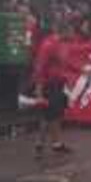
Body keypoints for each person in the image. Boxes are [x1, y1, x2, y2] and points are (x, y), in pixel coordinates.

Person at [32, 16, 75, 159]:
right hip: (49, 84)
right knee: (49, 115)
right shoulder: (49, 45)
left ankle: (52, 142)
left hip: (58, 83)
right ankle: (43, 142)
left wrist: (80, 70)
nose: (73, 34)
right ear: (65, 31)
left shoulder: (63, 44)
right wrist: (39, 89)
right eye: (71, 31)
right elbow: (39, 67)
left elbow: (65, 63)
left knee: (55, 114)